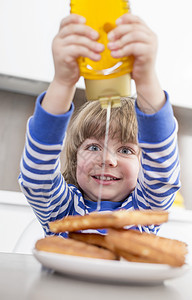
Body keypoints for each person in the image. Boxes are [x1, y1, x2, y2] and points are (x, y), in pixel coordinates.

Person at [18, 13, 180, 238]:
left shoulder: (144, 210)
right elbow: (37, 175)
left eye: (126, 150)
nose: (107, 160)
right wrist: (63, 82)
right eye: (93, 147)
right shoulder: (61, 210)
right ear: (75, 158)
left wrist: (146, 78)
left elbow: (163, 172)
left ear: (144, 165)